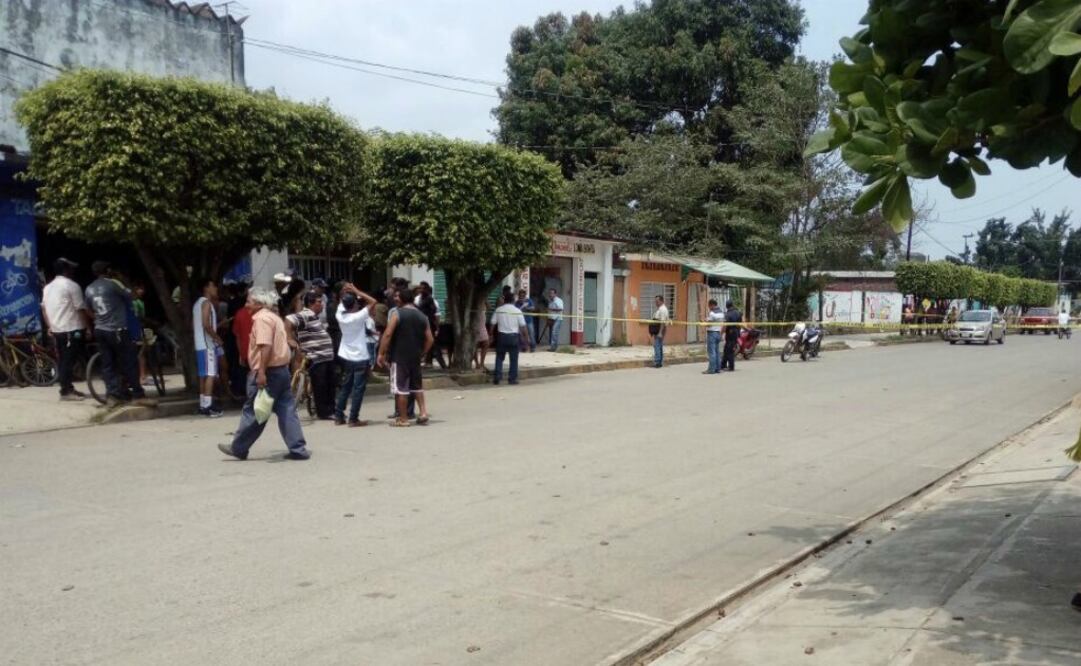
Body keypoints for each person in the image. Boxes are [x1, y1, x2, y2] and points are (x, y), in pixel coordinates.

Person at [218, 288, 311, 461]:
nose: (246, 305)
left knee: (255, 410)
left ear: (259, 303)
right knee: (287, 410)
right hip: (281, 370)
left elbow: (265, 346)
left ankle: (238, 447)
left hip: (269, 371)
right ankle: (298, 448)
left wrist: (261, 372)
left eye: (249, 302)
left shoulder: (262, 319)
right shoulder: (275, 317)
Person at [85, 261, 152, 407]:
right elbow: (133, 296)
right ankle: (137, 394)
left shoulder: (89, 289)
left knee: (108, 364)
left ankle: (113, 396)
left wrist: (98, 319)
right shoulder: (114, 284)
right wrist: (123, 279)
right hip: (117, 329)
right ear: (108, 270)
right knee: (130, 362)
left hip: (100, 329)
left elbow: (88, 309)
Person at [378, 287, 433, 427]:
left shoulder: (397, 313)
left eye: (397, 297)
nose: (395, 299)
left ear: (402, 298)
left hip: (399, 357)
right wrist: (422, 353)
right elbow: (430, 339)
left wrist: (381, 353)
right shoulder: (422, 316)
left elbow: (388, 334)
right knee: (417, 387)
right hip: (415, 357)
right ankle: (423, 413)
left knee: (401, 388)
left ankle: (403, 419)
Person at [41, 258, 90, 400]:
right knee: (68, 360)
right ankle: (65, 391)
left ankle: (68, 388)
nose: (73, 271)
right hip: (71, 329)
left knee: (65, 359)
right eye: (71, 268)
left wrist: (49, 326)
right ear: (66, 270)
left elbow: (44, 309)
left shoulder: (48, 287)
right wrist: (87, 328)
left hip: (57, 330)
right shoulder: (72, 286)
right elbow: (80, 309)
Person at [285, 292, 337, 420]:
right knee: (321, 385)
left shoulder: (314, 316)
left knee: (330, 384)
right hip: (316, 357)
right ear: (311, 303)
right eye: (319, 302)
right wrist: (289, 338)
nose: (322, 304)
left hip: (326, 357)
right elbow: (288, 321)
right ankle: (324, 412)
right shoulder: (306, 314)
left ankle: (331, 410)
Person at [335, 283, 378, 426]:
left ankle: (339, 415)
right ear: (354, 305)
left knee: (346, 386)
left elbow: (342, 302)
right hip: (360, 357)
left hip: (346, 356)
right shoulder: (358, 316)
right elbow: (373, 302)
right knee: (358, 389)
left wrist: (347, 292)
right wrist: (357, 290)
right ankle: (353, 418)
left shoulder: (340, 315)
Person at [193, 278, 224, 417]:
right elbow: (206, 324)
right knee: (210, 374)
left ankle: (202, 403)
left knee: (203, 375)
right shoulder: (206, 303)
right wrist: (216, 337)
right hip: (207, 344)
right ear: (207, 288)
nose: (216, 288)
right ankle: (208, 406)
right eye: (213, 286)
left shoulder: (196, 304)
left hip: (199, 344)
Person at [491, 292, 529, 385]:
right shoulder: (517, 311)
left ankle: (497, 377)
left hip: (502, 336)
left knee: (499, 357)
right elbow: (523, 327)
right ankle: (512, 379)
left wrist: (490, 334)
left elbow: (492, 323)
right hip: (513, 337)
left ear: (504, 300)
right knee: (514, 359)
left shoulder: (499, 310)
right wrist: (526, 340)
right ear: (513, 300)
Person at [703, 299, 724, 374]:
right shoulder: (721, 313)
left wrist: (704, 322)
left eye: (709, 306)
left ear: (712, 305)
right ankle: (717, 368)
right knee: (717, 352)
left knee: (711, 352)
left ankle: (711, 369)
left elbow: (709, 324)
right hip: (718, 332)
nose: (708, 307)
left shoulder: (712, 313)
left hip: (712, 333)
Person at [722, 300, 743, 372]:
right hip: (736, 333)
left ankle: (731, 367)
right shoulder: (738, 312)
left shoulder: (728, 314)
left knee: (729, 350)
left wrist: (721, 333)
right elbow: (740, 323)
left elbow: (725, 325)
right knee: (726, 349)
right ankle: (723, 365)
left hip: (730, 333)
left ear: (726, 306)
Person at [649, 295, 669, 368]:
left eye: (657, 301)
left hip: (660, 330)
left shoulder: (663, 309)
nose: (656, 303)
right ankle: (659, 361)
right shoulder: (660, 309)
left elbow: (662, 322)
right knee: (659, 345)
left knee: (657, 345)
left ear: (661, 301)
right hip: (657, 329)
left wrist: (660, 332)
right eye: (655, 301)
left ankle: (657, 362)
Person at [473, 301, 490, 370]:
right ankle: (477, 363)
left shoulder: (483, 302)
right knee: (475, 346)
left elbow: (489, 307)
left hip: (482, 326)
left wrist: (485, 300)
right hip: (475, 326)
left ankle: (482, 363)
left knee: (486, 343)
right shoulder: (473, 303)